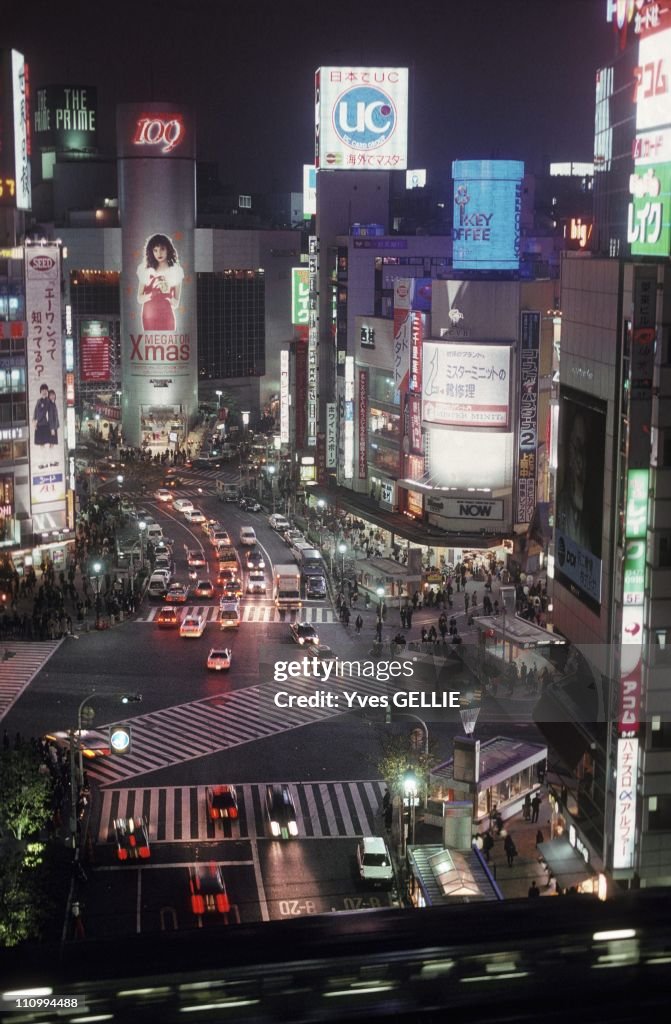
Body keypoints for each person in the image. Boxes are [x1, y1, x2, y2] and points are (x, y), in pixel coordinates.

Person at [136, 233, 184, 332]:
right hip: (149, 317)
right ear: (151, 252)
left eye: (162, 249)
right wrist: (152, 294)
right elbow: (139, 299)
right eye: (155, 250)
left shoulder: (176, 271)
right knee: (150, 346)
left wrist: (168, 296)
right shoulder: (145, 270)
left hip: (167, 317)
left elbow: (176, 303)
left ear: (168, 249)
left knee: (168, 346)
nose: (159, 253)